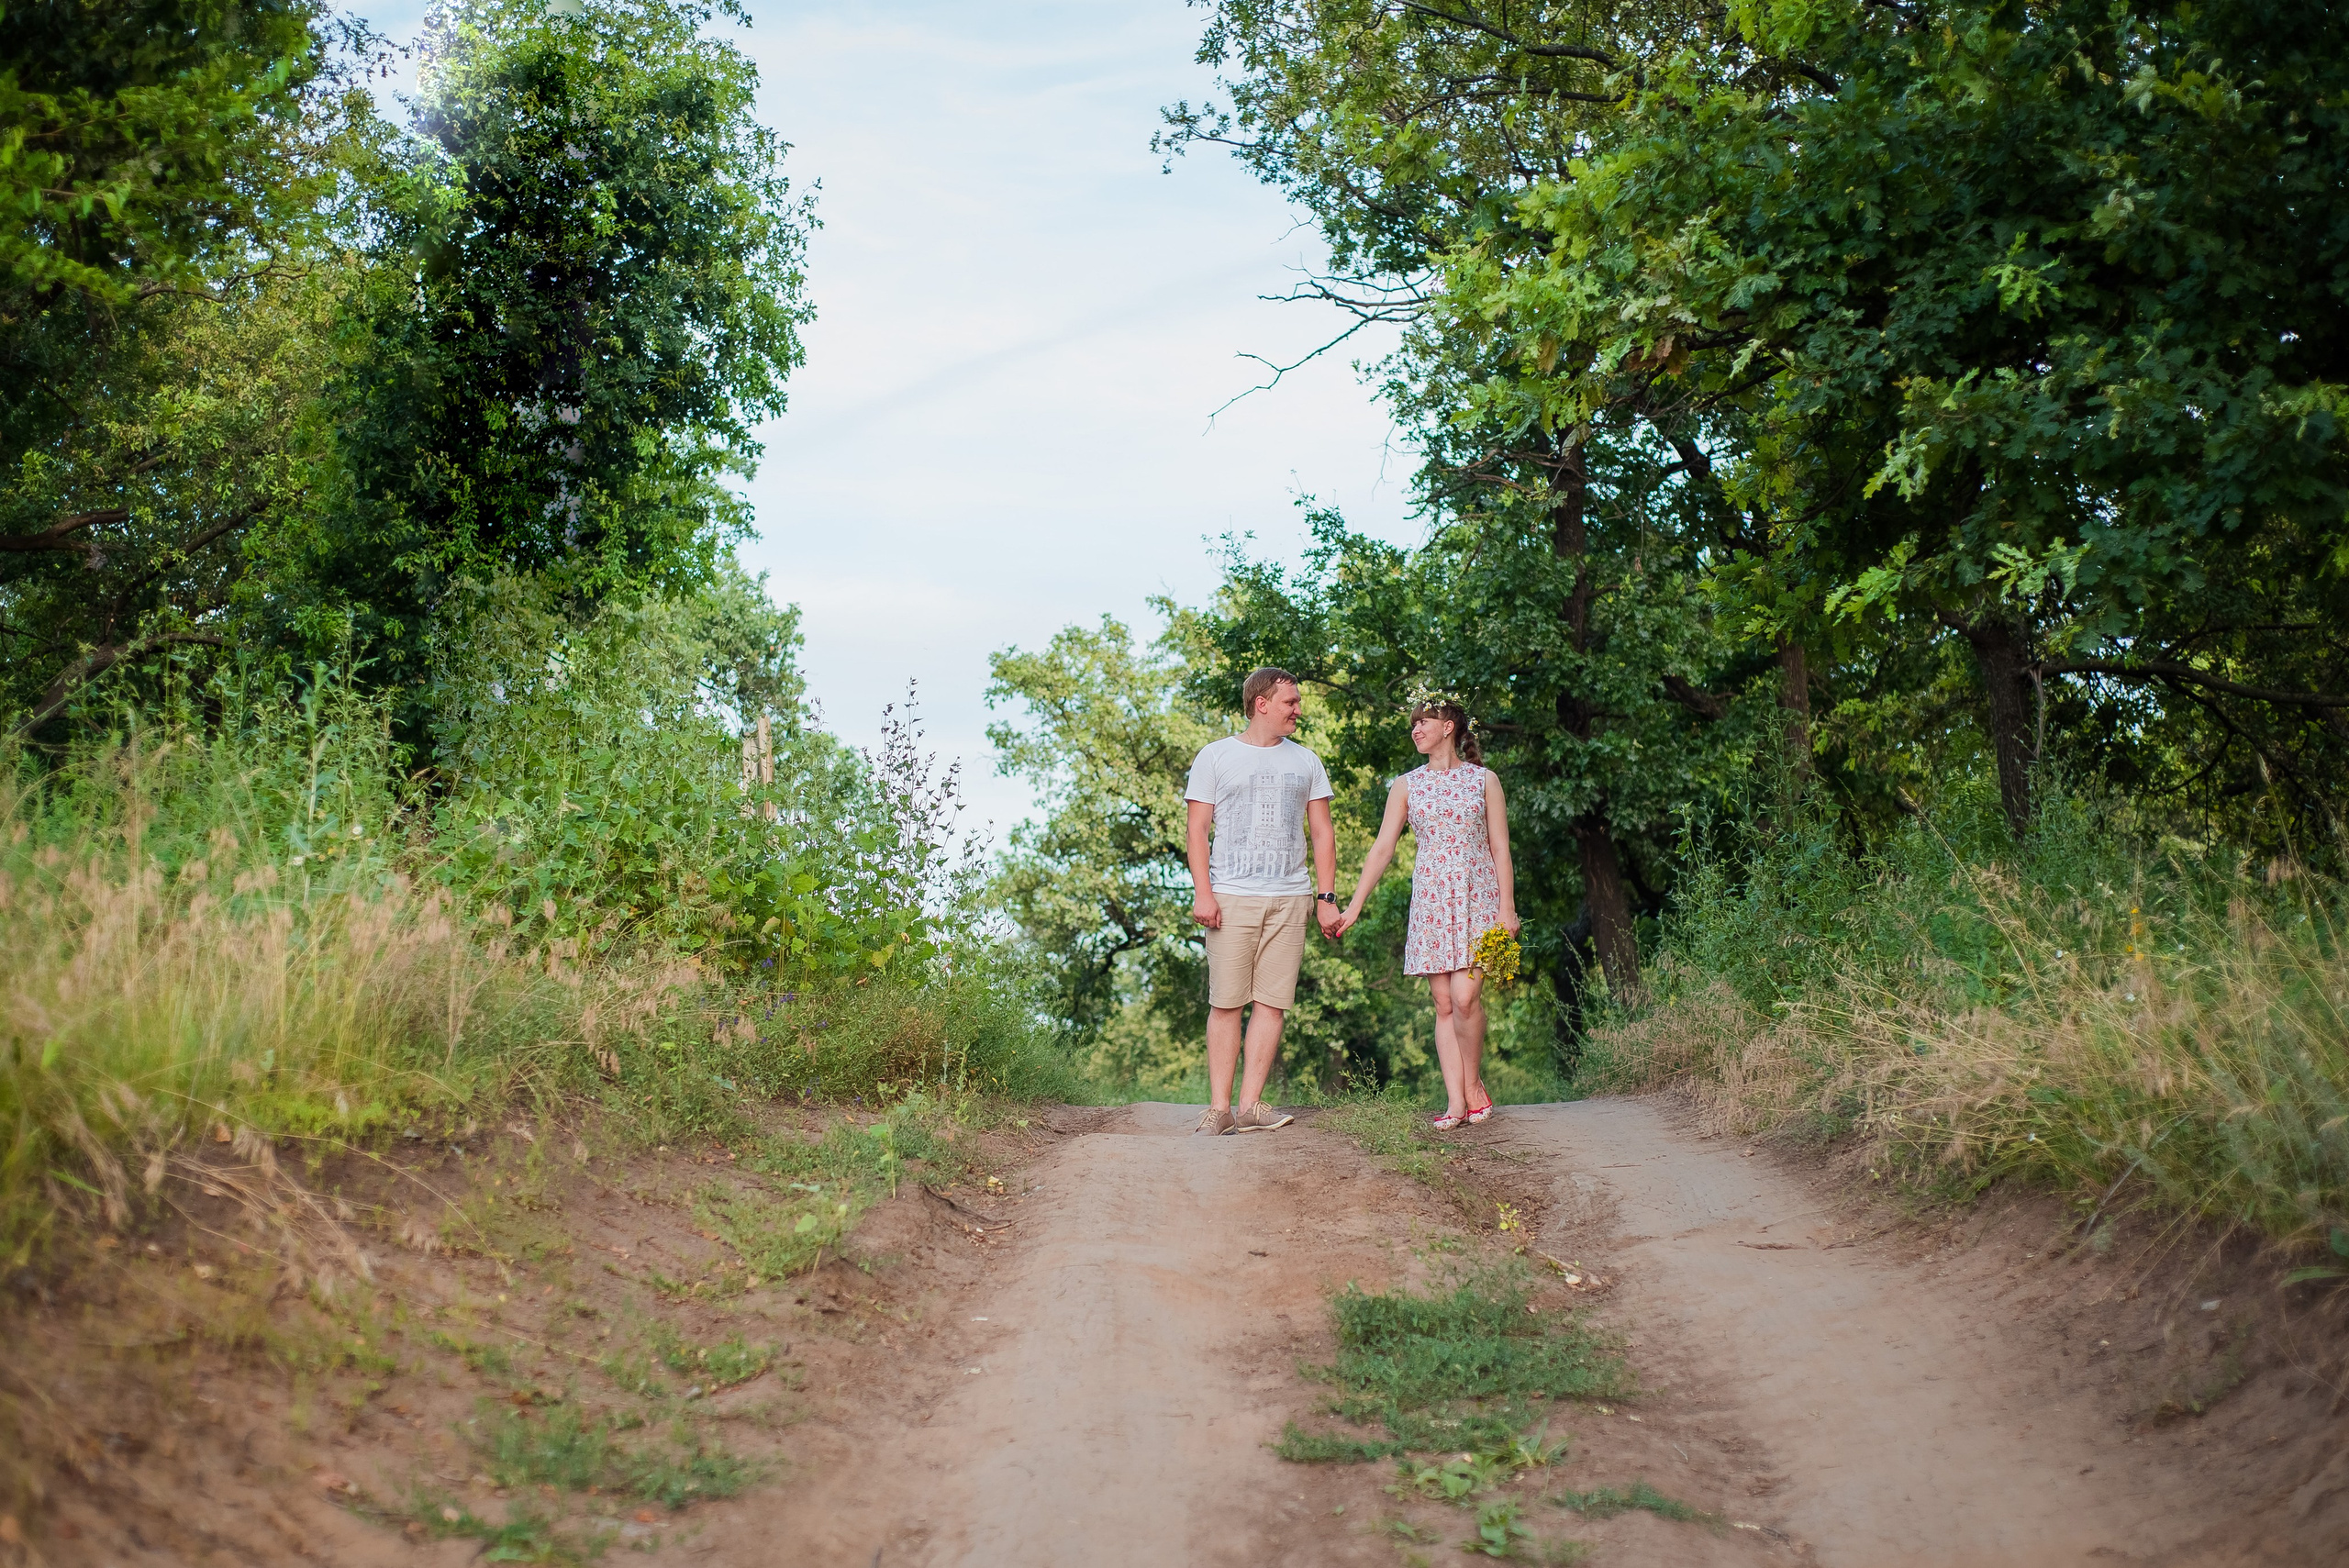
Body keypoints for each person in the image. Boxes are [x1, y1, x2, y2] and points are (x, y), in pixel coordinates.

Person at [1336, 695, 1520, 1129]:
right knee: (1442, 1002)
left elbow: (1500, 847)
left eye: (1424, 722)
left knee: (1465, 997)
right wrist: (1355, 904)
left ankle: (1474, 1086)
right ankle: (1456, 1101)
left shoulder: (1484, 780)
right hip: (1433, 900)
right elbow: (1383, 848)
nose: (1416, 729)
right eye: (1413, 724)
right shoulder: (1406, 785)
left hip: (1478, 897)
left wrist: (1507, 908)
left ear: (1449, 727)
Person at [1185, 666, 1343, 1135]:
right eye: (1291, 702)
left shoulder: (1307, 761)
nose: (1299, 710)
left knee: (1272, 1003)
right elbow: (1197, 830)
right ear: (1262, 703)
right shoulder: (1215, 757)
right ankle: (1219, 1109)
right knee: (1227, 1003)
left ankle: (1252, 1105)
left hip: (1290, 896)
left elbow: (1322, 832)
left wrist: (1325, 897)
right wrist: (1203, 893)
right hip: (1231, 896)